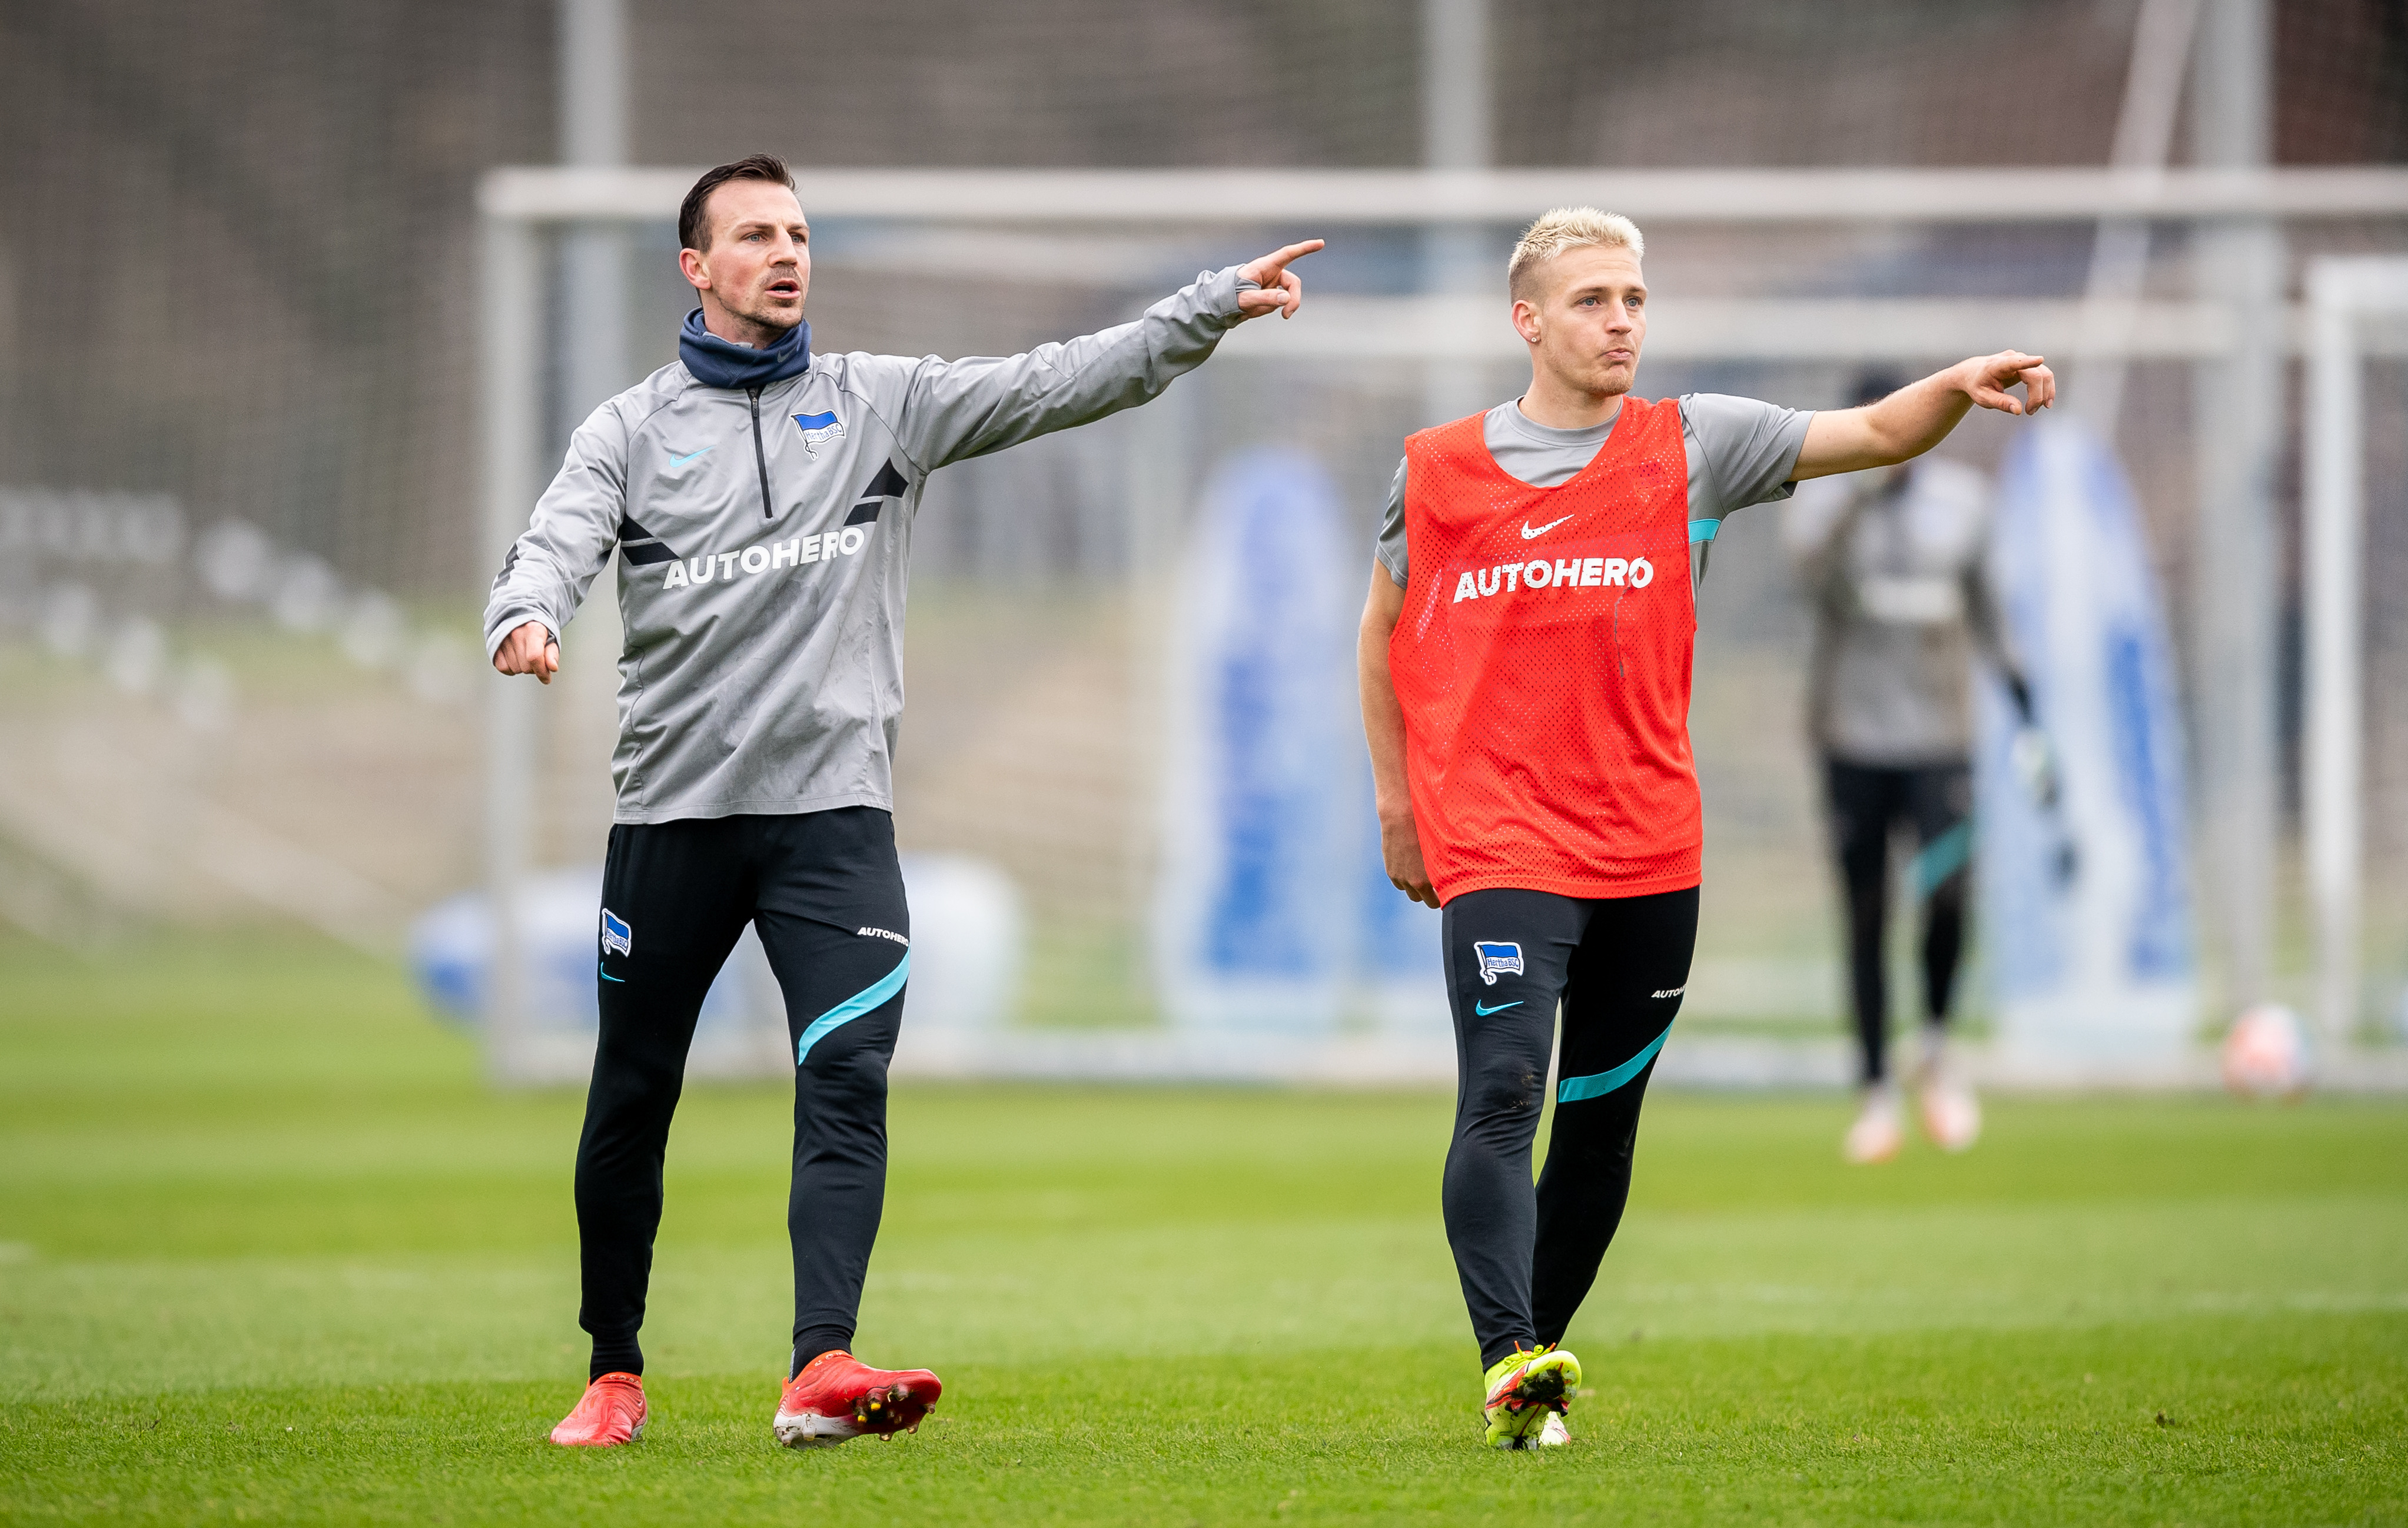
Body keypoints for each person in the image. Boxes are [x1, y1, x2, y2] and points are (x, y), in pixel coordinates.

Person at [486, 154, 1322, 1450]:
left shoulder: (882, 403)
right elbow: (557, 537)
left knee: (850, 1071)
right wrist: (528, 610)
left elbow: (1059, 380)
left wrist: (1204, 305)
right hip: (673, 822)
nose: (786, 252)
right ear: (697, 269)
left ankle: (820, 1364)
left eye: (800, 232)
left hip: (834, 821)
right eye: (755, 233)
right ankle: (613, 1368)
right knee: (634, 1091)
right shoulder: (631, 429)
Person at [1356, 208, 2052, 1450]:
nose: (1621, 318)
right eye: (1592, 300)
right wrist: (1400, 801)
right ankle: (1510, 1349)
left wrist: (1952, 385)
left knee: (1601, 1118)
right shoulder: (1439, 466)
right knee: (1506, 1085)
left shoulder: (1698, 442)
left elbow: (1880, 432)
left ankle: (1528, 1371)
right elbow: (1381, 632)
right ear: (1528, 319)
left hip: (1649, 852)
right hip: (1502, 845)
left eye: (1634, 297)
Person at [1782, 375, 2042, 1165]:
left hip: (1940, 741)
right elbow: (1808, 583)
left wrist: (2027, 708)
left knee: (1951, 894)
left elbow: (1990, 609)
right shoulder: (1823, 505)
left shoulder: (1966, 503)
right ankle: (1872, 1091)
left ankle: (1933, 1047)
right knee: (1865, 912)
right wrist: (1862, 491)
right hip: (1852, 741)